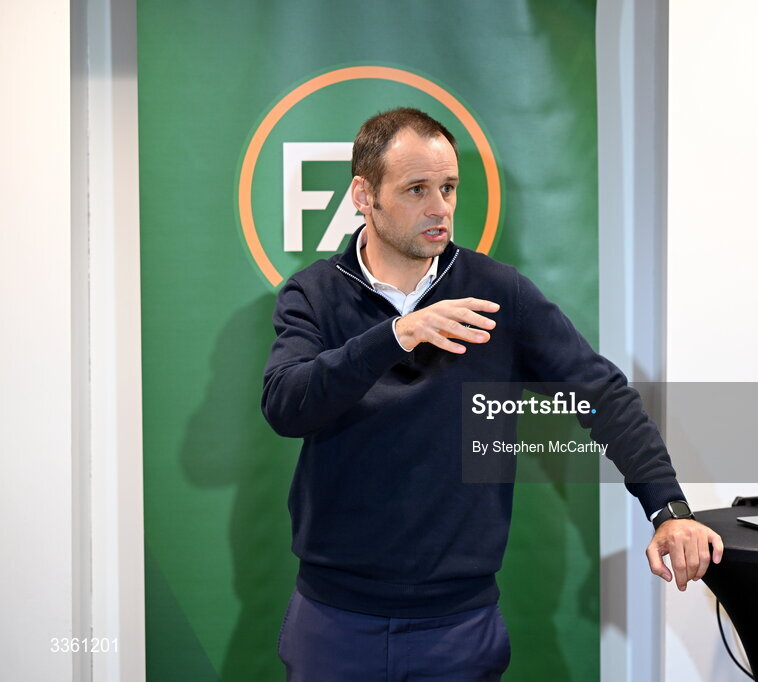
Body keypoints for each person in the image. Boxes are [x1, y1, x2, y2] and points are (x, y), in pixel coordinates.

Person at [262, 107, 724, 681]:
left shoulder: (497, 292)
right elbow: (286, 404)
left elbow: (603, 394)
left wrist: (669, 510)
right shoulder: (313, 293)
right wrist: (397, 334)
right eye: (416, 190)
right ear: (364, 194)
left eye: (449, 187)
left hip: (457, 627)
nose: (440, 208)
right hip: (334, 620)